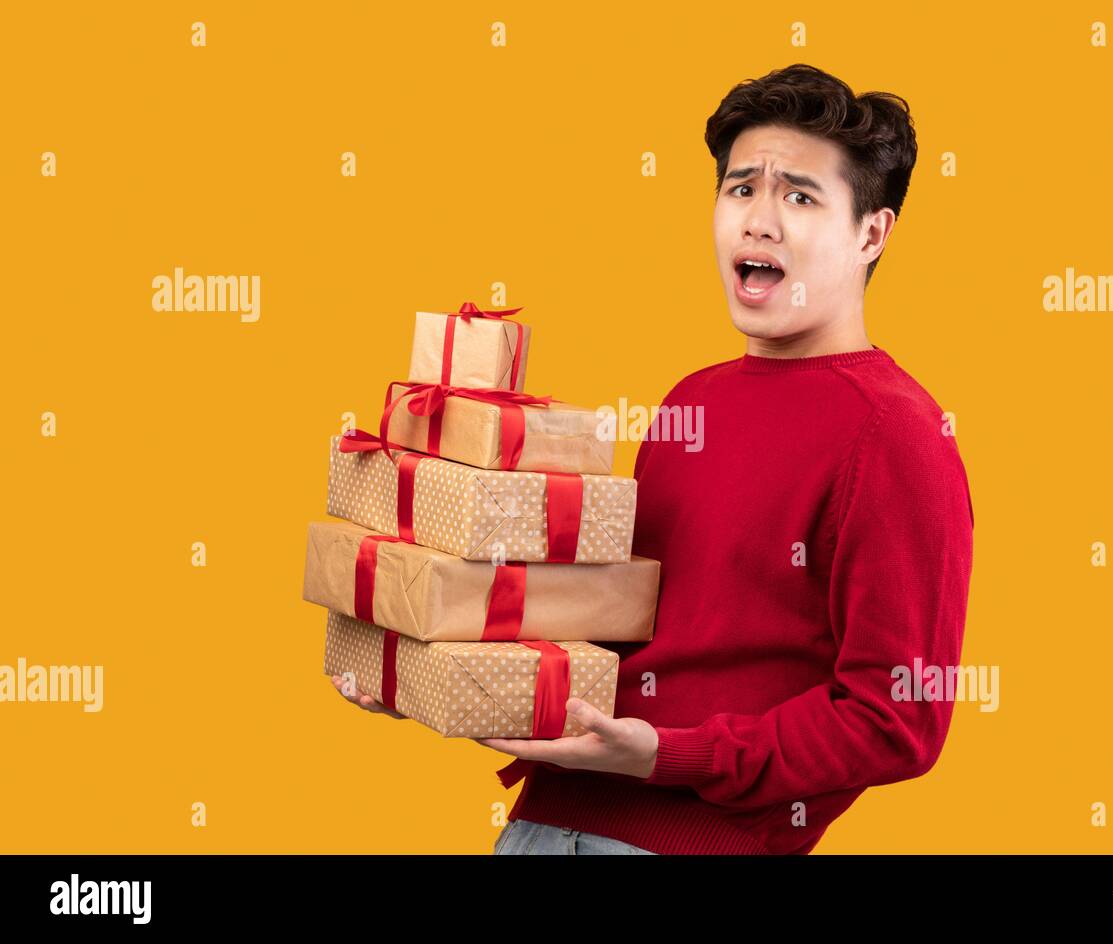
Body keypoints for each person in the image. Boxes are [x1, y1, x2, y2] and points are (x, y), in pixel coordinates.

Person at [335, 62, 974, 855]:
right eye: (741, 189)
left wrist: (669, 755)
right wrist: (432, 667)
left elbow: (897, 718)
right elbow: (614, 628)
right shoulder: (689, 401)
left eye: (799, 196)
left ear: (871, 233)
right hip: (542, 825)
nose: (758, 221)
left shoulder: (896, 432)